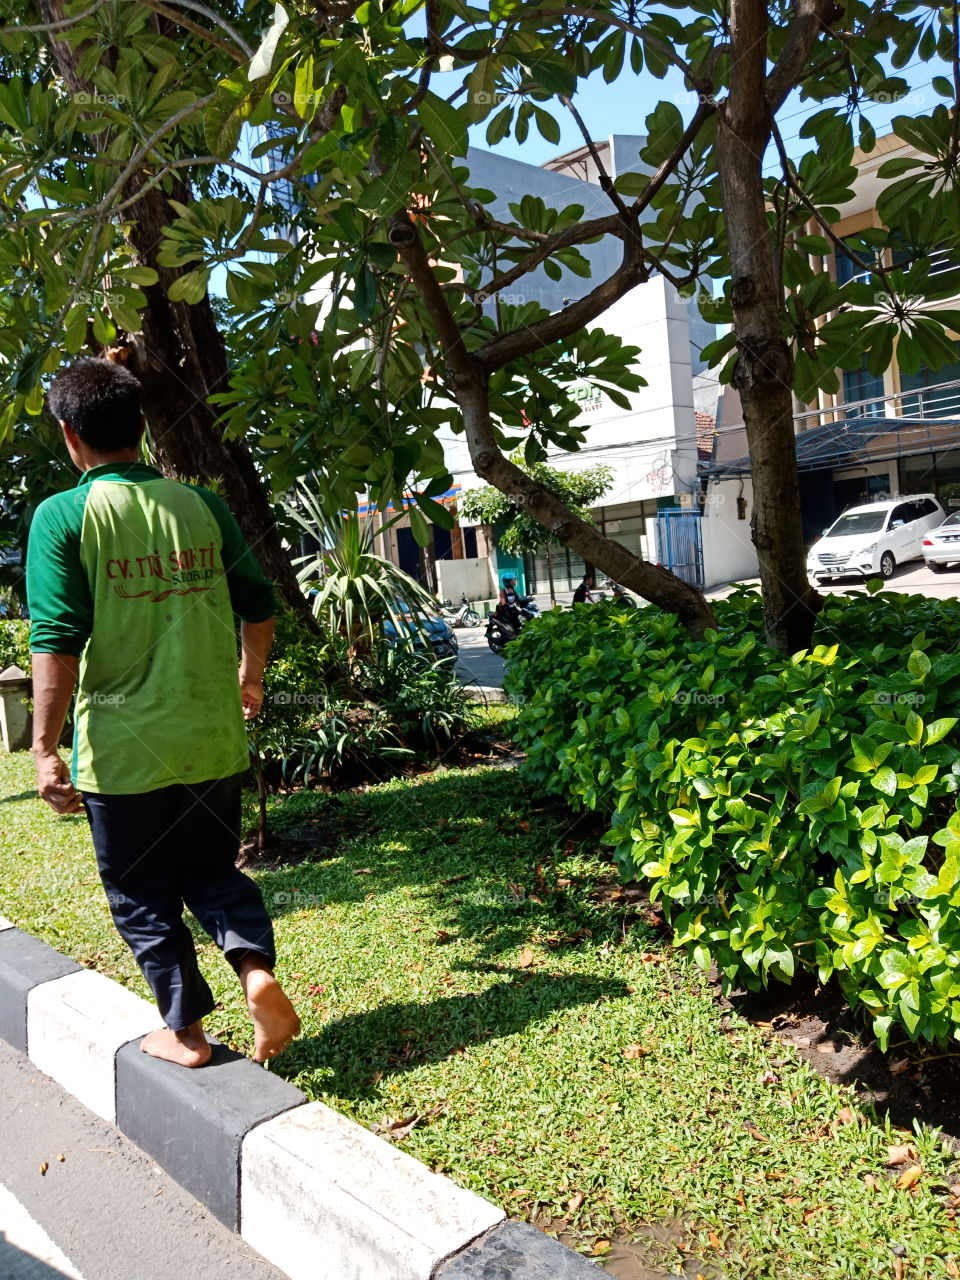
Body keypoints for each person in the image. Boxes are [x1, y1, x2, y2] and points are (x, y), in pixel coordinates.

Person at [26, 355, 300, 1070]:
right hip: (210, 739)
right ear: (142, 429)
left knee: (141, 893)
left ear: (68, 436)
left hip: (122, 753)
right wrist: (251, 679)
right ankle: (255, 971)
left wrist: (44, 747)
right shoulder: (200, 505)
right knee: (213, 873)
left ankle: (185, 1032)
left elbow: (55, 642)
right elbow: (260, 604)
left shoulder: (63, 515)